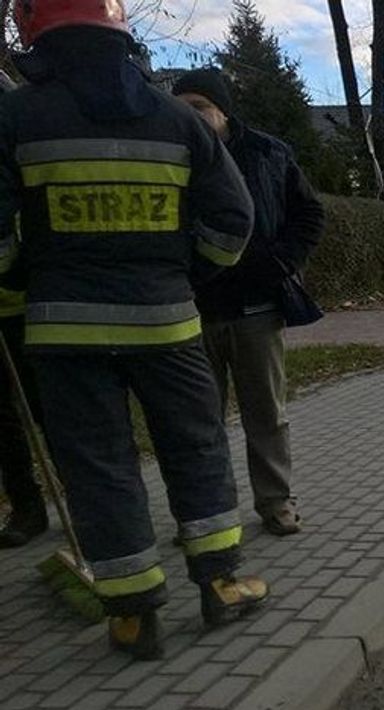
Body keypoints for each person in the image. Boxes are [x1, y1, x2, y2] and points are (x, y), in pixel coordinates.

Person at [0, 0, 267, 659]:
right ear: (118, 33)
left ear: (34, 33)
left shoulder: (13, 119)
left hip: (64, 336)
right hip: (168, 325)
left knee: (99, 468)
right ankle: (221, 586)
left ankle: (132, 616)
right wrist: (183, 276)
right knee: (196, 449)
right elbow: (233, 220)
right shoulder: (177, 118)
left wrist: (17, 290)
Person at [172, 69, 326, 537]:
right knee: (198, 425)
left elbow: (309, 212)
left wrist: (282, 260)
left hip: (257, 308)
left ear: (222, 110)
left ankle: (276, 503)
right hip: (191, 311)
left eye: (198, 107)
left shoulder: (268, 153)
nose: (189, 117)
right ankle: (204, 515)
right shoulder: (168, 156)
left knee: (267, 416)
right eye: (181, 107)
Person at [0, 286, 46, 549]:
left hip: (29, 313)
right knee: (3, 422)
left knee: (46, 409)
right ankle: (26, 508)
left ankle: (82, 502)